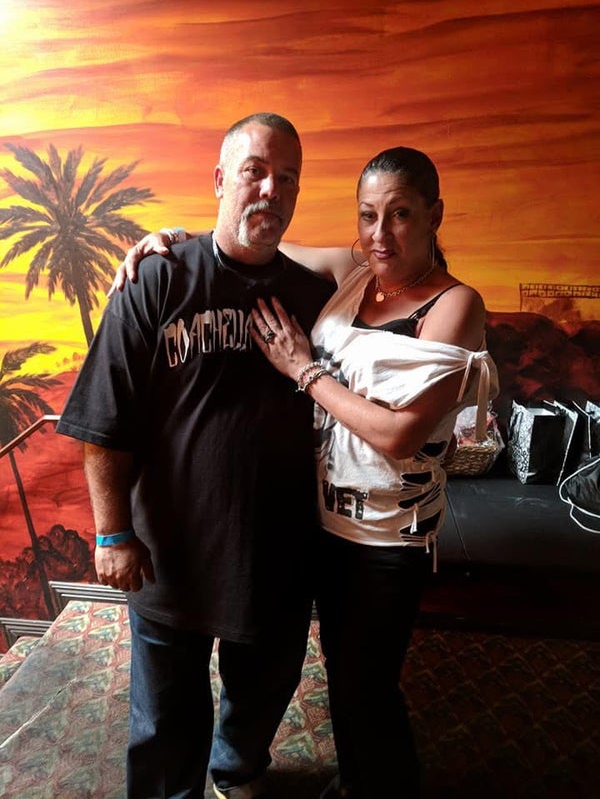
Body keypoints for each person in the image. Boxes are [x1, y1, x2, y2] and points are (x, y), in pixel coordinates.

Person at [116, 146, 498, 799]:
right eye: (368, 215)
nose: (381, 234)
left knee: (365, 687)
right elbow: (253, 243)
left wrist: (304, 370)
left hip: (384, 539)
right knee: (330, 672)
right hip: (319, 520)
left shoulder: (455, 304)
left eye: (401, 214)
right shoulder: (355, 270)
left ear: (434, 215)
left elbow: (400, 434)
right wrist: (177, 239)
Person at [56, 112, 335, 799]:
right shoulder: (156, 280)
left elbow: (379, 266)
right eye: (255, 172)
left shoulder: (315, 297)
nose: (271, 190)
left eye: (288, 179)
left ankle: (236, 771)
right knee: (163, 718)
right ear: (218, 179)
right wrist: (112, 532)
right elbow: (105, 419)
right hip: (169, 552)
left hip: (276, 553)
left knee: (264, 685)